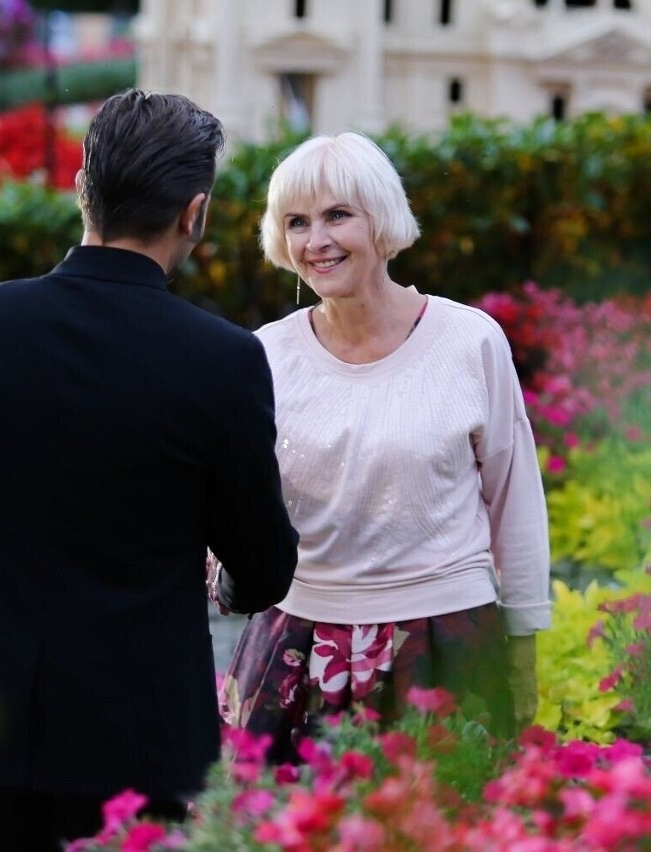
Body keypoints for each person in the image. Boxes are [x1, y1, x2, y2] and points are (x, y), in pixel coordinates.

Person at [0, 89, 299, 850]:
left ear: (80, 192)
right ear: (193, 212)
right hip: (140, 739)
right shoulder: (221, 362)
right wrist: (225, 581)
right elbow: (263, 567)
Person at [215, 131, 551, 761]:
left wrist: (524, 642)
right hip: (296, 644)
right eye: (296, 222)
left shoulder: (470, 342)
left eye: (338, 215)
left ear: (383, 220)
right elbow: (232, 501)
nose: (316, 241)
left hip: (446, 640)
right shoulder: (262, 355)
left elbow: (515, 498)